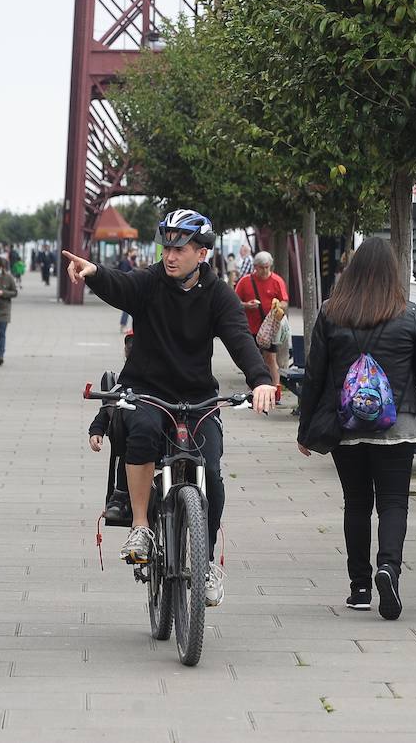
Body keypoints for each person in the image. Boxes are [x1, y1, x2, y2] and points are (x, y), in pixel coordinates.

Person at [63, 209, 278, 607]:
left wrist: (260, 380)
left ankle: (207, 561)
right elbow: (122, 286)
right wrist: (93, 272)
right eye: (167, 247)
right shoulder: (151, 282)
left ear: (201, 253)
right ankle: (142, 526)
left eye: (180, 248)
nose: (170, 256)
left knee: (211, 470)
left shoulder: (219, 295)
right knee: (141, 432)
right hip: (146, 388)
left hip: (198, 396)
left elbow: (238, 338)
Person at [296, 236, 416, 620]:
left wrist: (306, 426)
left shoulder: (330, 312)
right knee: (394, 503)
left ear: (353, 270)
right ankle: (388, 568)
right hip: (398, 423)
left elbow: (315, 373)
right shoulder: (408, 313)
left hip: (346, 425)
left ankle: (359, 588)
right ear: (392, 272)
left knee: (356, 504)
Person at [88, 329, 135, 523]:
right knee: (129, 447)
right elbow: (109, 408)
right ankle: (120, 495)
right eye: (129, 344)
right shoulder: (124, 380)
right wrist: (96, 431)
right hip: (133, 438)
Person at [236, 250, 289, 390]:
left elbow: (285, 301)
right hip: (250, 328)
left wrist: (277, 306)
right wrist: (247, 305)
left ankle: (276, 388)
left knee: (271, 359)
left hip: (270, 329)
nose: (265, 270)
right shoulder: (245, 281)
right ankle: (253, 390)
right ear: (255, 267)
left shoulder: (277, 281)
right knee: (251, 360)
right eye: (262, 267)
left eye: (267, 267)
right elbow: (235, 301)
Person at [117, 248, 137, 332]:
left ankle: (127, 326)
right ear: (129, 253)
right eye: (134, 253)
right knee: (127, 308)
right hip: (126, 287)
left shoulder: (133, 262)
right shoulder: (125, 262)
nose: (135, 255)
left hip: (132, 288)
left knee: (130, 308)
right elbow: (123, 274)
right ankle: (123, 325)